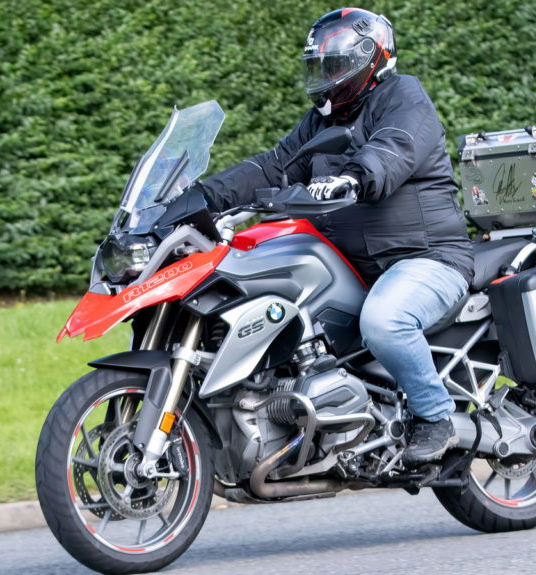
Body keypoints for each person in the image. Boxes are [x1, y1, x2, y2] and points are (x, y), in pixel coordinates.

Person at [187, 7, 474, 464]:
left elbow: (394, 148)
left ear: (370, 59)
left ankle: (435, 416)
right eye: (319, 66)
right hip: (352, 266)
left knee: (385, 321)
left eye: (334, 65)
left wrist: (354, 177)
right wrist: (199, 198)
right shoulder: (320, 122)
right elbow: (274, 166)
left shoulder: (405, 97)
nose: (326, 76)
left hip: (426, 258)